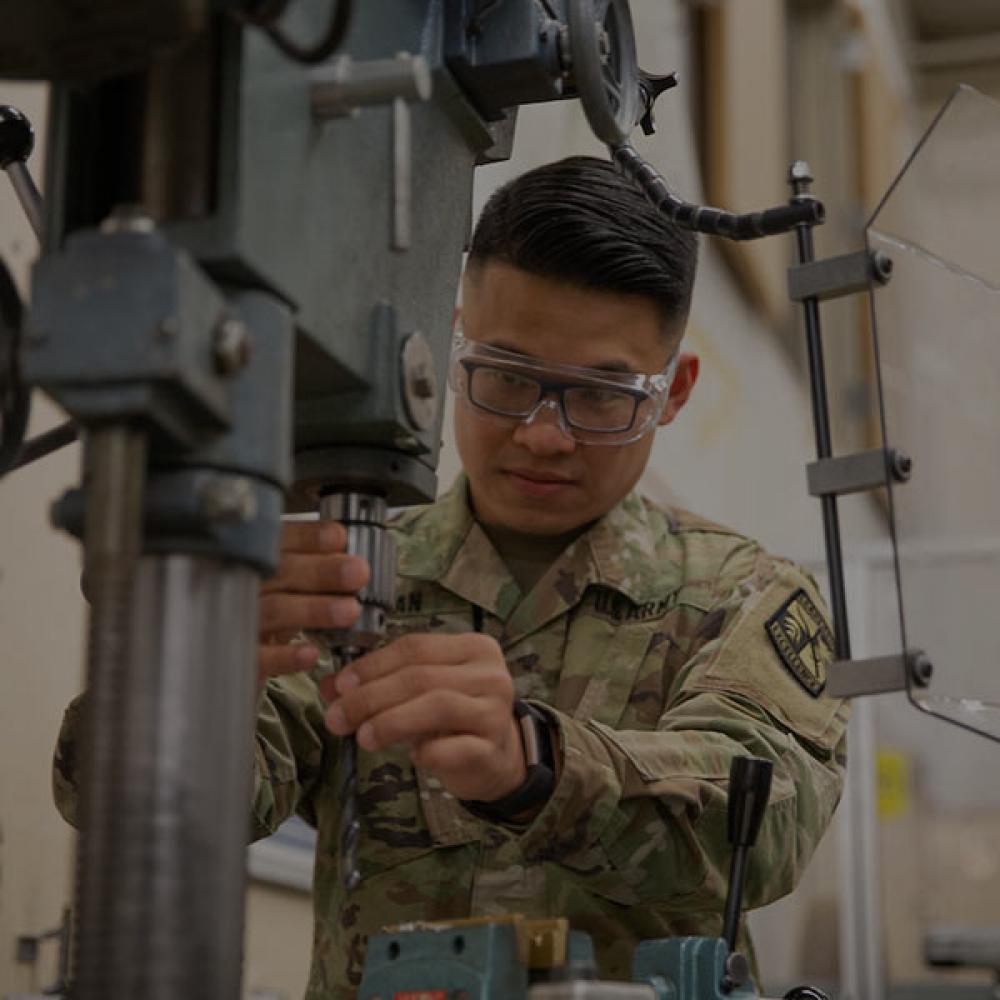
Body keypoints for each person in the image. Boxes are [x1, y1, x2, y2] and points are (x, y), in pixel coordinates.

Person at [55, 156, 848, 999]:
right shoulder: (349, 576)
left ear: (674, 391)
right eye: (506, 377)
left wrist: (535, 762)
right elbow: (138, 815)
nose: (545, 436)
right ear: (451, 343)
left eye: (600, 396)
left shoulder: (742, 596)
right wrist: (177, 666)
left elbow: (761, 829)